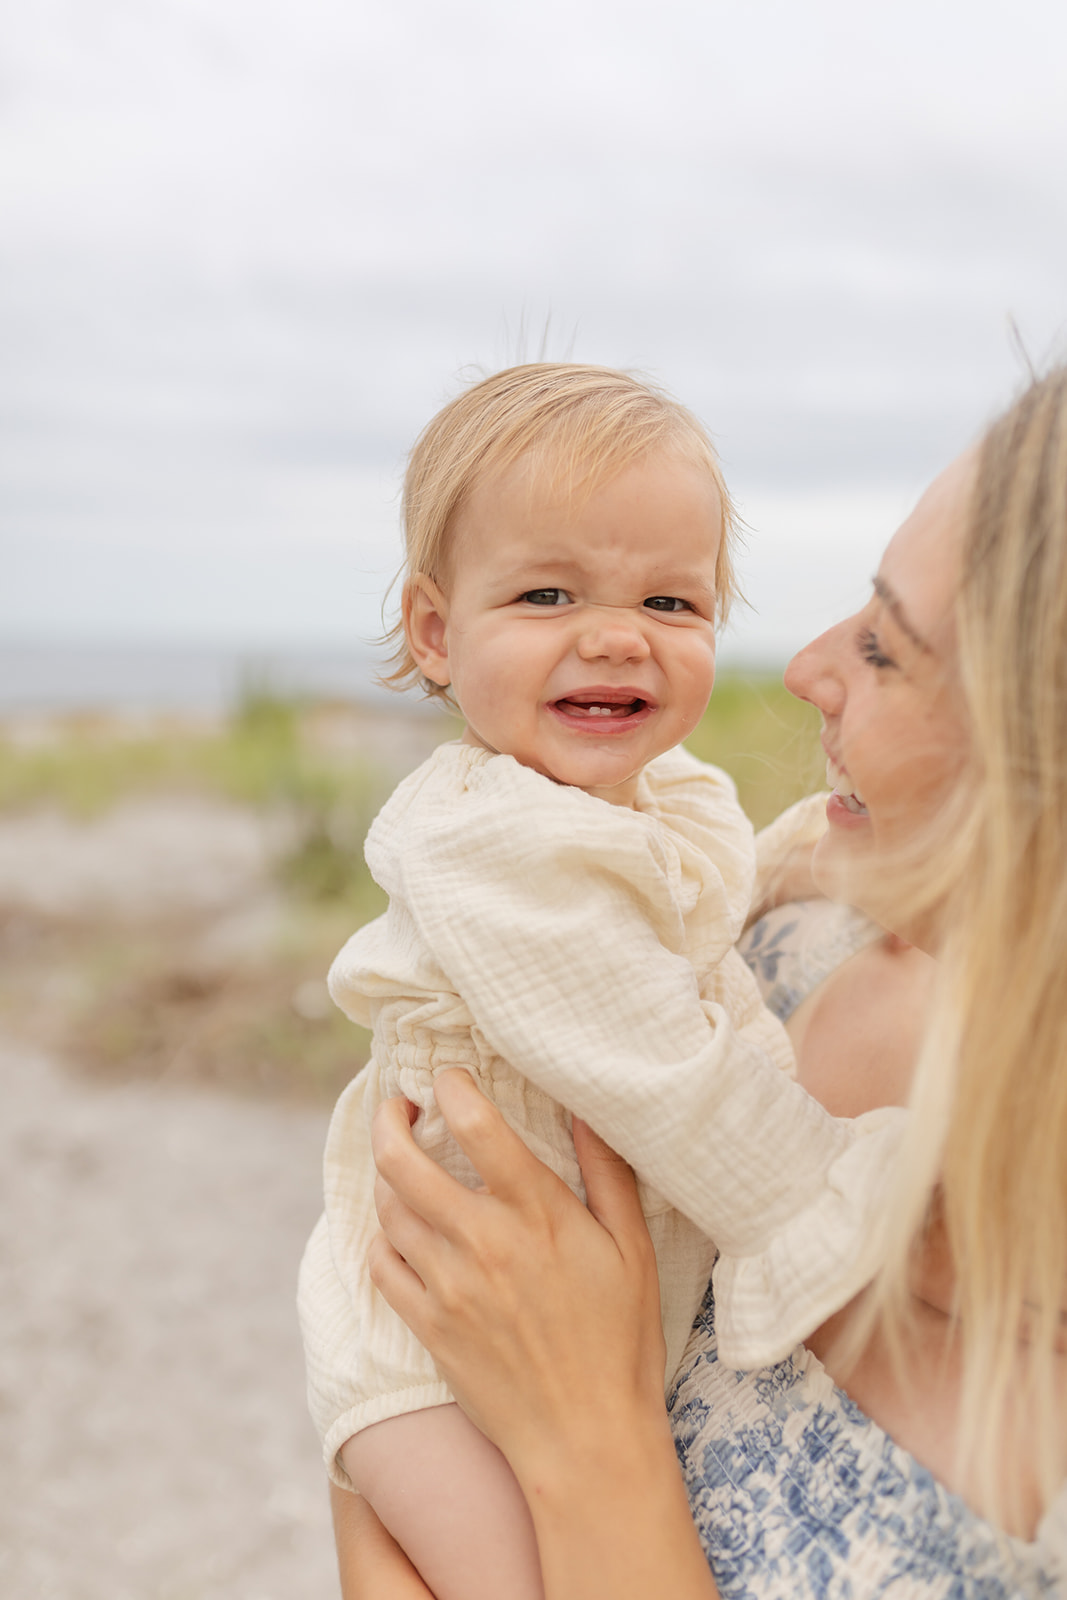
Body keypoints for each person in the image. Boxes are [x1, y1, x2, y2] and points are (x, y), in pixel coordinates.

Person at [349, 369, 1067, 1596]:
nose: (804, 665)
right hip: (413, 1346)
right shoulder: (799, 959)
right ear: (432, 629)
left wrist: (590, 1441)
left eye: (885, 646)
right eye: (545, 592)